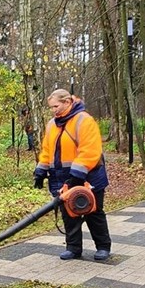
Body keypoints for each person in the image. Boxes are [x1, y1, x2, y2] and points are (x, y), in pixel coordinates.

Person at [33, 89, 112, 261]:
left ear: (67, 102)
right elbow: (47, 150)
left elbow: (90, 151)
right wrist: (40, 170)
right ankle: (74, 248)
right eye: (51, 107)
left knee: (93, 211)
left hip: (89, 176)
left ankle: (103, 246)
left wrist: (76, 176)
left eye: (56, 106)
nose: (53, 110)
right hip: (61, 177)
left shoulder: (84, 121)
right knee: (69, 213)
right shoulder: (52, 125)